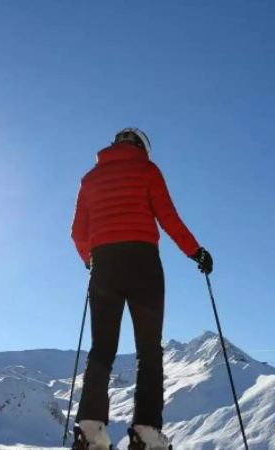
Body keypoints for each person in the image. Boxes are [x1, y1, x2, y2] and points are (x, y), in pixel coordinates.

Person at [70, 128, 212, 450]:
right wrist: (196, 252)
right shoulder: (147, 170)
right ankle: (146, 432)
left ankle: (91, 430)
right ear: (141, 147)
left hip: (104, 264)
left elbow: (78, 232)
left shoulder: (89, 179)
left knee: (102, 347)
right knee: (149, 350)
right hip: (143, 263)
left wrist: (89, 261)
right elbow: (169, 218)